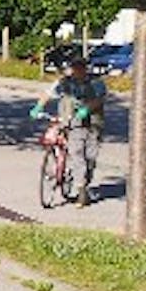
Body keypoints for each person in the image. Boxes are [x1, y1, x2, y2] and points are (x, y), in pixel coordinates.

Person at [32, 55, 107, 206]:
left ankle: (84, 182)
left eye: (81, 67)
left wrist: (87, 109)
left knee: (90, 158)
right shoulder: (64, 82)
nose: (77, 70)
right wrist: (38, 106)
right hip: (71, 124)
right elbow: (48, 93)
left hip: (93, 125)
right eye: (75, 67)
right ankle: (81, 191)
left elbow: (100, 99)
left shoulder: (95, 82)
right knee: (77, 153)